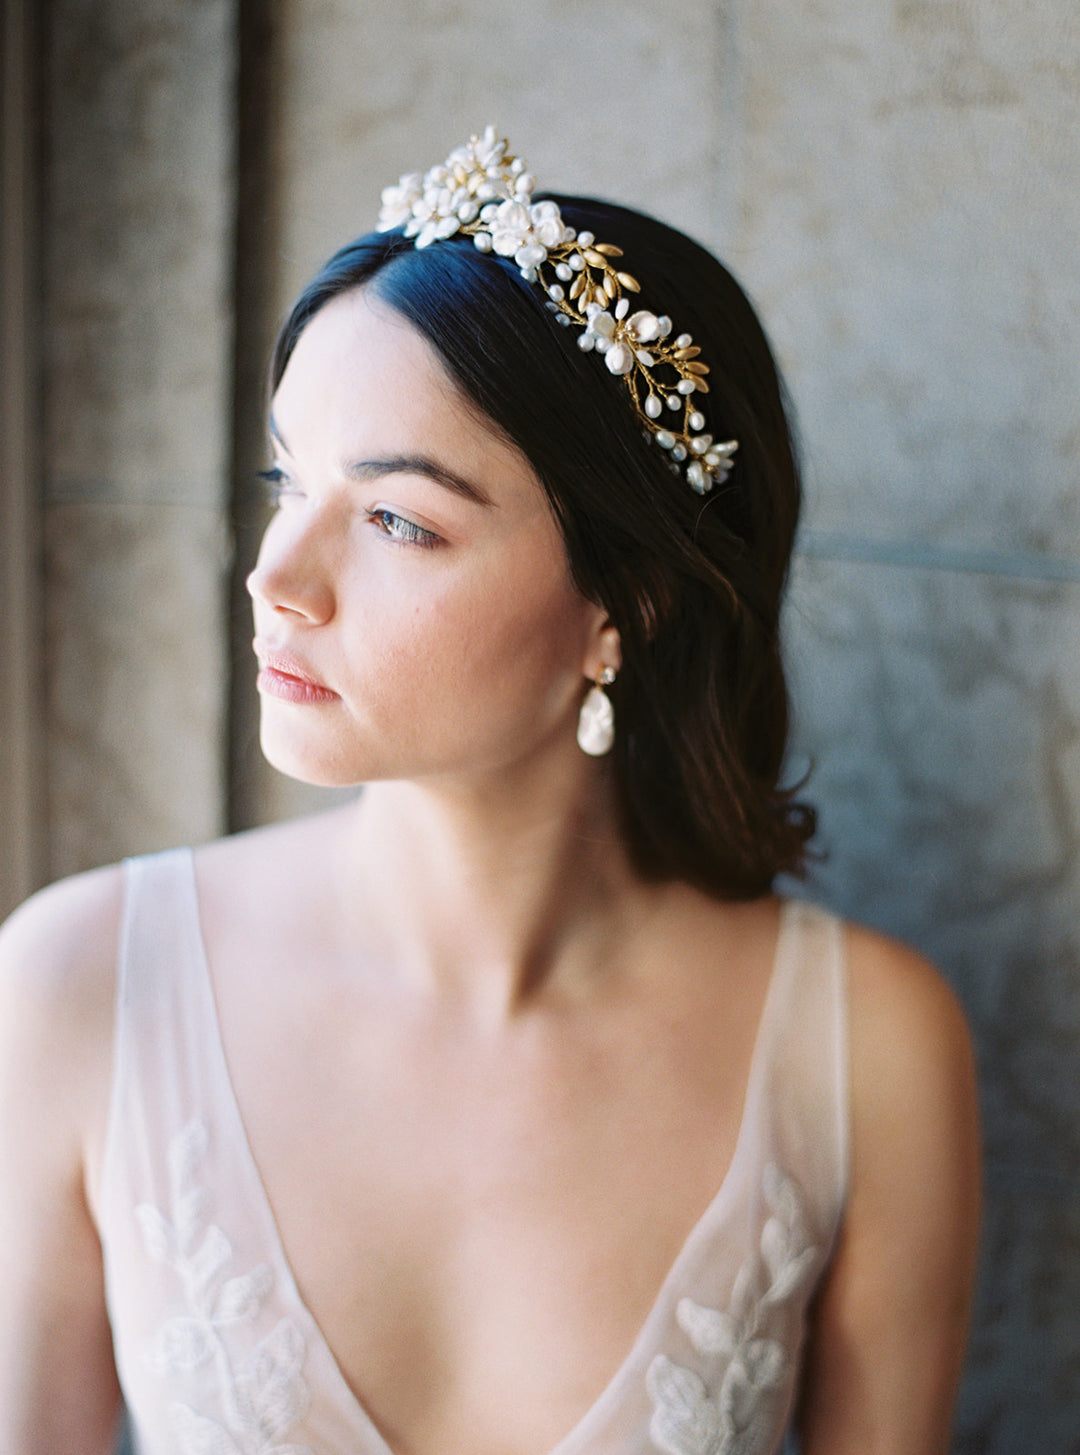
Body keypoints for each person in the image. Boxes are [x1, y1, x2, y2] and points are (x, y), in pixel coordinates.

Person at [0, 128, 980, 1455]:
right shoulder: (82, 985)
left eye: (400, 520)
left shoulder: (869, 1048)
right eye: (288, 478)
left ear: (625, 605)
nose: (277, 576)